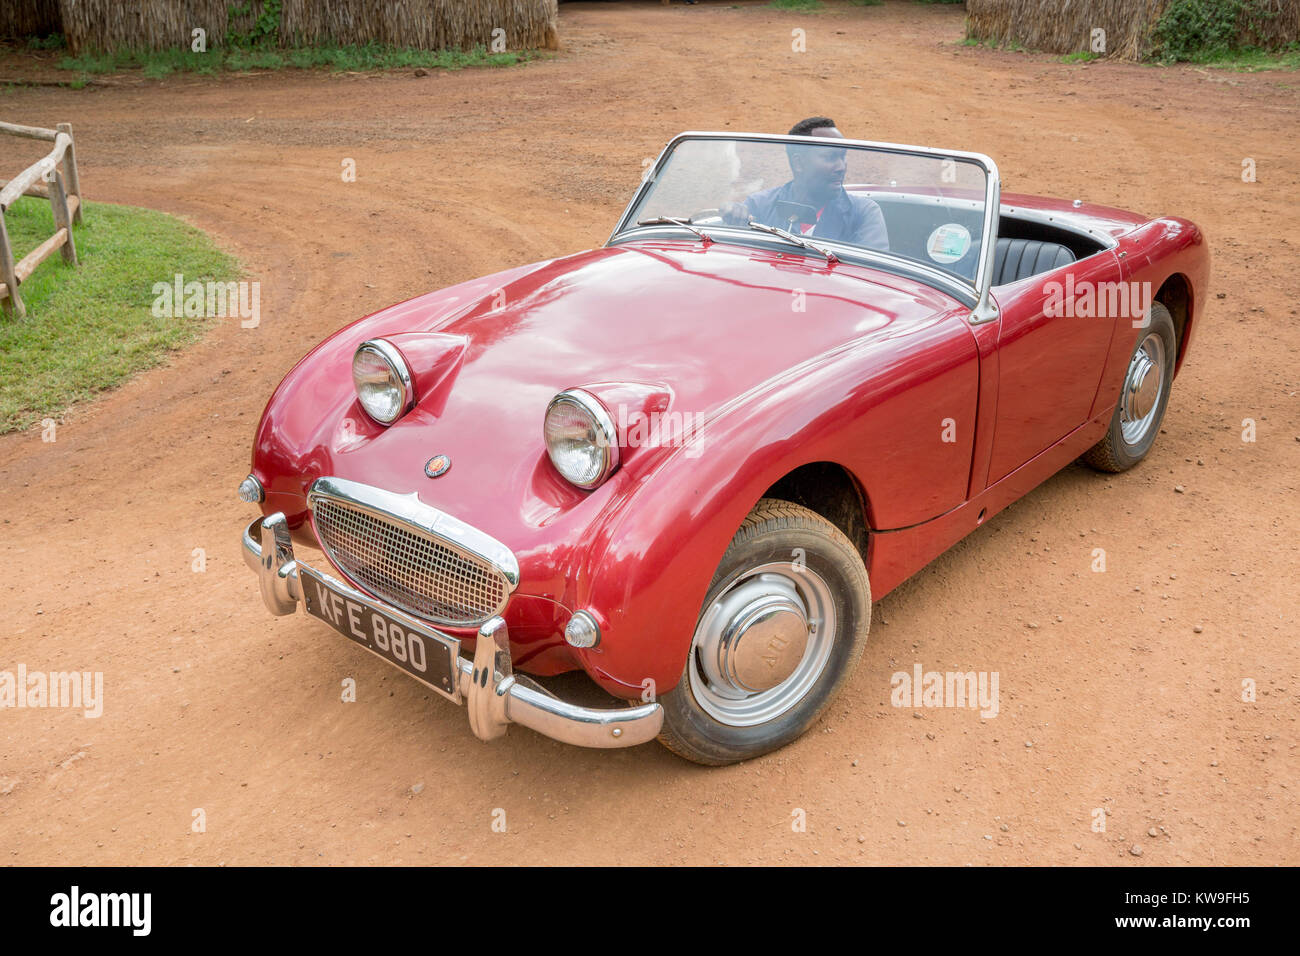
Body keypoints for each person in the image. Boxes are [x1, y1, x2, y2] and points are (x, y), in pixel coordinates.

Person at [723, 117, 889, 251]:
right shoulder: (759, 206)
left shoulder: (863, 214)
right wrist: (733, 220)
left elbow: (867, 280)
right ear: (799, 163)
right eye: (830, 157)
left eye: (843, 156)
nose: (841, 167)